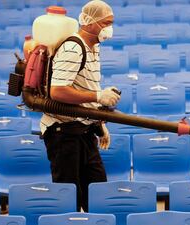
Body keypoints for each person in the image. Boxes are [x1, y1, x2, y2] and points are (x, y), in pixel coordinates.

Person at [40, 0, 120, 212]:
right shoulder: (73, 48)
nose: (110, 28)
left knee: (97, 193)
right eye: (106, 23)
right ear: (90, 22)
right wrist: (98, 96)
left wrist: (98, 123)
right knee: (69, 199)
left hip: (83, 131)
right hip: (63, 133)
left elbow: (84, 88)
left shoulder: (93, 48)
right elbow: (57, 91)